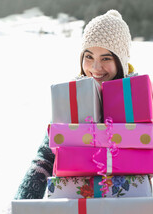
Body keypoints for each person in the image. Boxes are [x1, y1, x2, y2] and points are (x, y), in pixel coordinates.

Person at [14, 9, 135, 199]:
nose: (95, 68)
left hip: (129, 211)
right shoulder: (73, 100)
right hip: (76, 209)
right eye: (89, 57)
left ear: (121, 61)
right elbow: (46, 157)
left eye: (106, 58)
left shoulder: (137, 99)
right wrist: (21, 205)